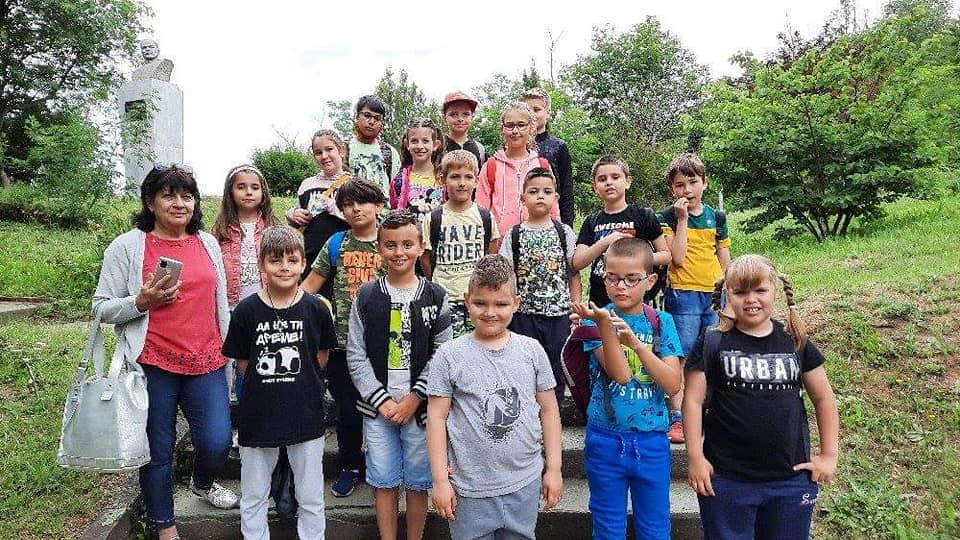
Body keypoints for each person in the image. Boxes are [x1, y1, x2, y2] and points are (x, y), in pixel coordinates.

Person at [92, 164, 237, 540]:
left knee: (217, 442)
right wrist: (140, 302)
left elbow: (220, 302)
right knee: (158, 449)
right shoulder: (127, 246)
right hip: (152, 363)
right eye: (168, 195)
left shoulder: (207, 243)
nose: (179, 204)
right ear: (150, 202)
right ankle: (164, 526)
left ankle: (202, 482)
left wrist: (231, 348)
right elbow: (100, 308)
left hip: (207, 359)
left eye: (187, 196)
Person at [683, 254, 839, 540]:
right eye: (740, 292)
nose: (751, 299)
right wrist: (695, 457)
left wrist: (829, 455)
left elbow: (824, 399)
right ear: (727, 293)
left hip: (790, 480)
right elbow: (692, 401)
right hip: (726, 481)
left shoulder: (794, 341)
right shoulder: (712, 341)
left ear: (775, 291)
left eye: (760, 290)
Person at [427, 255, 563, 540]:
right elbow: (436, 418)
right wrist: (440, 480)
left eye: (501, 304)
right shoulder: (449, 356)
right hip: (469, 489)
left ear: (516, 303)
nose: (490, 313)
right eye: (480, 303)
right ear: (467, 301)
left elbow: (549, 410)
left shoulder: (532, 351)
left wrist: (554, 468)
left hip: (524, 483)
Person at [221, 226, 336, 540]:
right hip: (259, 414)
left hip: (305, 413)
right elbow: (243, 362)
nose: (284, 267)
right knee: (254, 494)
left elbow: (321, 357)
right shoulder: (246, 311)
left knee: (311, 495)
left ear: (303, 264)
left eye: (292, 260)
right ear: (262, 264)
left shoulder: (316, 309)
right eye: (275, 260)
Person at [347, 211, 452, 539]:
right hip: (377, 411)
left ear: (421, 247)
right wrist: (382, 401)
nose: (399, 252)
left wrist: (414, 398)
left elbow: (441, 355)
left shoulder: (436, 296)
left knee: (418, 483)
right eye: (390, 245)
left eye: (408, 244)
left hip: (420, 411)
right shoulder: (367, 296)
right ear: (379, 247)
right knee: (384, 481)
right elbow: (356, 355)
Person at [571, 237, 684, 539]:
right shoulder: (595, 320)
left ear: (650, 281)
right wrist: (605, 325)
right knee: (608, 528)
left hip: (652, 441)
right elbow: (620, 374)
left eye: (632, 279)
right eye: (612, 278)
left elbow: (673, 383)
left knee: (655, 528)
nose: (621, 286)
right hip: (606, 440)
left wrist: (637, 345)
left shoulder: (662, 322)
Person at [302, 178, 387, 497]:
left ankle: (382, 468)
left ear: (378, 205)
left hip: (384, 345)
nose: (355, 209)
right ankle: (350, 466)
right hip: (342, 345)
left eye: (362, 202)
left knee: (382, 409)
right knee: (348, 411)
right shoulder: (337, 242)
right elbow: (310, 285)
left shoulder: (391, 240)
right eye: (347, 205)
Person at [656, 153, 732, 444]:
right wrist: (682, 219)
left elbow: (724, 257)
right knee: (682, 355)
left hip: (713, 293)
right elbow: (676, 257)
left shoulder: (717, 217)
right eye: (679, 184)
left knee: (712, 352)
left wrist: (729, 291)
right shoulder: (667, 217)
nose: (686, 189)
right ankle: (678, 416)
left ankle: (705, 411)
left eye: (692, 182)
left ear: (704, 183)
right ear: (672, 189)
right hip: (682, 293)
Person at [499, 167, 580, 404]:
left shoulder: (563, 232)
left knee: (556, 366)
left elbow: (573, 272)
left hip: (558, 315)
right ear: (522, 198)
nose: (540, 196)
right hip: (524, 315)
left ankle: (553, 412)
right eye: (533, 191)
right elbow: (506, 276)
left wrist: (575, 307)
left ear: (556, 197)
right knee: (524, 364)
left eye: (547, 191)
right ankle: (526, 412)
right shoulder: (513, 235)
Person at [571, 154, 671, 308]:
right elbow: (577, 262)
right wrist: (605, 242)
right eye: (602, 179)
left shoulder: (644, 215)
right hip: (599, 302)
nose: (609, 182)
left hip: (635, 301)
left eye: (615, 177)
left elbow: (666, 255)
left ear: (628, 181)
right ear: (595, 187)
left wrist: (636, 258)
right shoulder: (591, 221)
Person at [421, 150, 500, 337]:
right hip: (445, 296)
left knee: (479, 344)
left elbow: (491, 254)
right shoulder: (433, 218)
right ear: (443, 180)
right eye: (455, 177)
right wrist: (437, 281)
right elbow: (425, 257)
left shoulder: (485, 217)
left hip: (477, 297)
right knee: (450, 346)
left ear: (476, 181)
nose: (462, 183)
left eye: (468, 177)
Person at [477, 101, 558, 237]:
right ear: (502, 129)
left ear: (531, 128)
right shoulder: (491, 166)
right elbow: (481, 211)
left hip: (537, 240)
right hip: (499, 243)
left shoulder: (542, 165)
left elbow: (553, 208)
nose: (515, 131)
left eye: (521, 125)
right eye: (510, 125)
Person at [286, 129, 351, 286]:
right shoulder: (307, 185)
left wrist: (335, 209)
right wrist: (293, 214)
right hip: (311, 258)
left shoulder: (354, 184)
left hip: (344, 257)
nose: (324, 156)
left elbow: (365, 220)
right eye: (318, 152)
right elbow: (297, 217)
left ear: (341, 150)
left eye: (329, 149)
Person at [521, 88, 574, 226]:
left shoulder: (558, 146)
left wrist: (566, 227)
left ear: (548, 113)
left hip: (551, 221)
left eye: (536, 109)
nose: (531, 114)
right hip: (518, 220)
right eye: (527, 110)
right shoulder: (513, 147)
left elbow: (566, 190)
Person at [347, 95, 401, 196]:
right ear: (357, 117)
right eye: (367, 116)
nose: (371, 122)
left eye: (377, 118)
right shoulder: (344, 149)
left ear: (382, 124)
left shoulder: (389, 152)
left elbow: (396, 192)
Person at [389, 118, 445, 216]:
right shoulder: (398, 181)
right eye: (414, 141)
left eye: (425, 141)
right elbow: (395, 215)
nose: (420, 146)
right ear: (407, 144)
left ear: (435, 145)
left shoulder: (445, 178)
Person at [441, 91, 486, 167]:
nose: (460, 119)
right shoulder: (437, 147)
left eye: (465, 114)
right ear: (444, 118)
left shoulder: (480, 150)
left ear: (472, 117)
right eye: (454, 114)